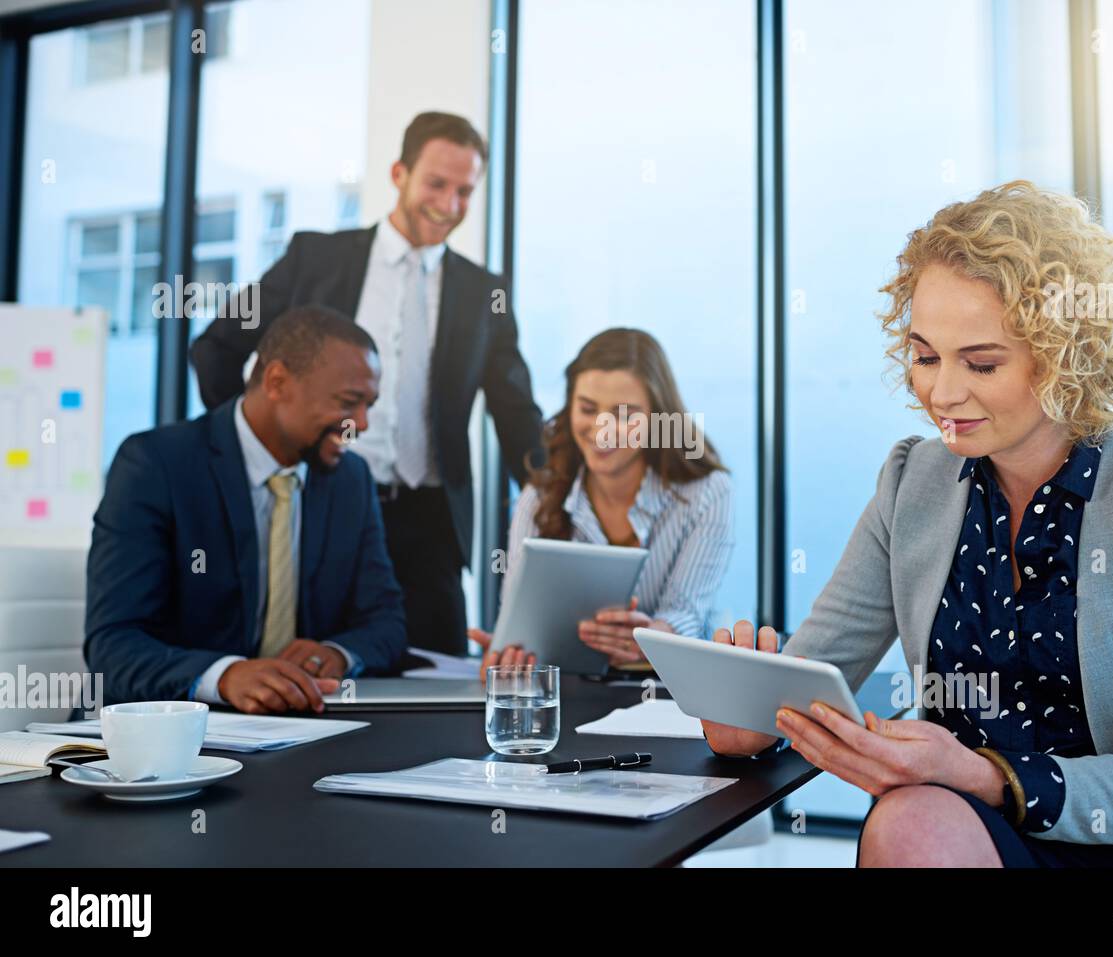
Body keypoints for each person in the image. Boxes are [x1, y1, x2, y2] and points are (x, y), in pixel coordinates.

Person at [702, 181, 1113, 868]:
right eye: (926, 356)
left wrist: (982, 773)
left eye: (980, 362)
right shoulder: (912, 481)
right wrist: (750, 717)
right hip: (961, 828)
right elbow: (814, 675)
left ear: (1064, 352)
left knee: (918, 822)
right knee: (914, 824)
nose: (942, 393)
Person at [189, 111, 543, 654]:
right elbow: (217, 348)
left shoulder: (483, 292)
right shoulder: (317, 258)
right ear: (399, 174)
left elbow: (516, 411)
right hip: (322, 496)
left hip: (430, 522)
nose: (450, 205)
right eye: (437, 184)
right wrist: (257, 449)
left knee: (438, 677)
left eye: (465, 192)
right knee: (317, 664)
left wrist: (564, 488)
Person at [86, 306, 405, 713]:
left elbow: (387, 621)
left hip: (296, 732)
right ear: (276, 382)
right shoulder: (156, 465)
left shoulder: (350, 480)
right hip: (162, 736)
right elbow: (113, 645)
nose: (361, 424)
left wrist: (338, 653)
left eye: (369, 406)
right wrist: (225, 676)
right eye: (349, 402)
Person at [476, 328, 734, 678]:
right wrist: (508, 655)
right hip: (568, 695)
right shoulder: (538, 498)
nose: (602, 429)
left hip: (672, 693)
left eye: (624, 414)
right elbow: (520, 619)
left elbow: (686, 612)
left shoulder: (707, 493)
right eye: (587, 409)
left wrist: (650, 638)